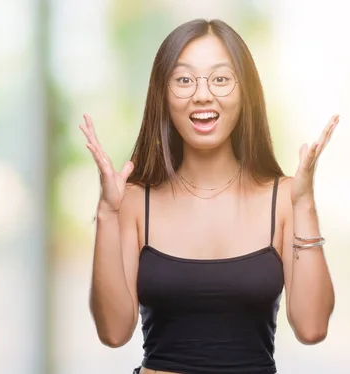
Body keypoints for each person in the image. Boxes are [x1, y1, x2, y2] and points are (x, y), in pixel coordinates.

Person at [80, 18, 336, 374]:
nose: (202, 94)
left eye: (220, 79)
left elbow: (312, 328)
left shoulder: (285, 198)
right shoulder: (135, 201)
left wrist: (305, 203)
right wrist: (107, 213)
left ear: (245, 92)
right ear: (163, 94)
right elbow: (113, 332)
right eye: (184, 80)